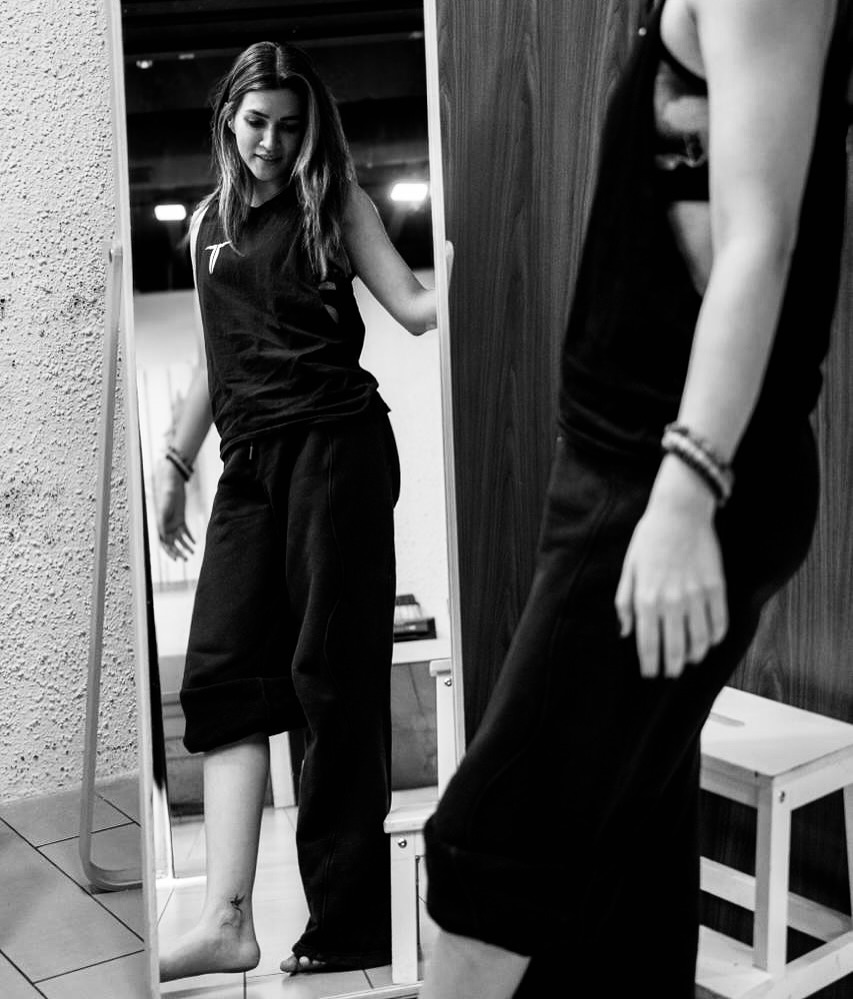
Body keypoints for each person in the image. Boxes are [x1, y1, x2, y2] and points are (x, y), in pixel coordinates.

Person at [421, 0, 853, 996]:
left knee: (494, 854)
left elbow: (759, 239)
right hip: (631, 472)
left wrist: (684, 491)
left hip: (659, 482)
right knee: (620, 872)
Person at [154, 40, 440, 981]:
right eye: (255, 123)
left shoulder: (335, 201)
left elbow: (412, 307)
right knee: (223, 676)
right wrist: (174, 464)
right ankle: (225, 918)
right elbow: (215, 358)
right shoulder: (207, 222)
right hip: (248, 463)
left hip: (335, 450)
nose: (271, 142)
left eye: (287, 125)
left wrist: (475, 258)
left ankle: (351, 922)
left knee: (330, 681)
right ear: (227, 120)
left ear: (309, 126)